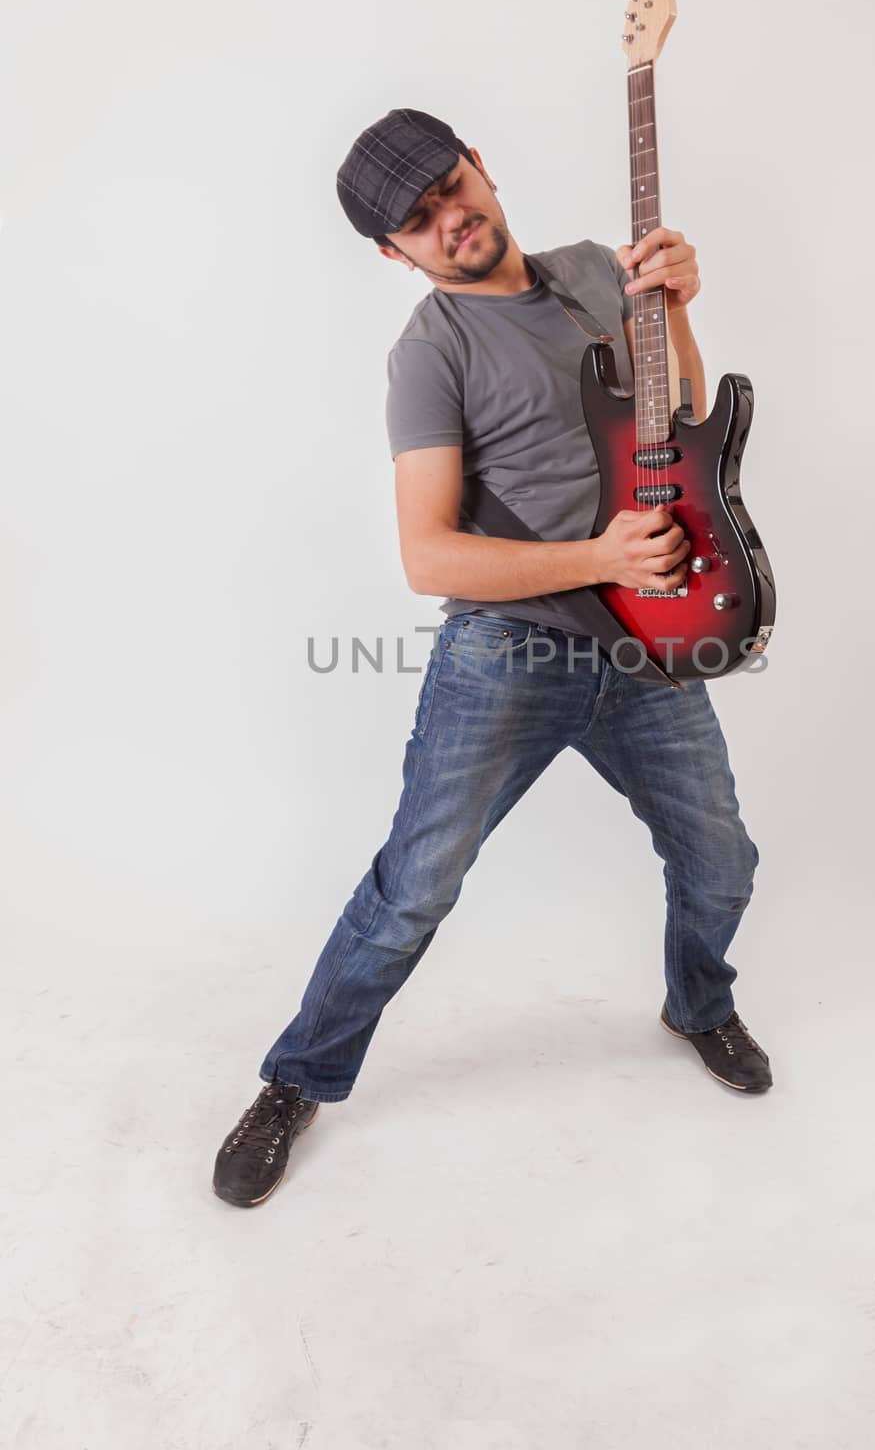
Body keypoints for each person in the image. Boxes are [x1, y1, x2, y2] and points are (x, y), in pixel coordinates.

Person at [212, 108, 772, 1210]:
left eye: (449, 186)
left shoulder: (587, 273)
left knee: (722, 862)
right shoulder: (429, 354)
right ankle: (297, 1078)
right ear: (393, 253)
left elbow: (672, 422)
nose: (447, 220)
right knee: (414, 885)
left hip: (647, 646)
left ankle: (697, 1002)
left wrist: (673, 306)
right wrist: (595, 551)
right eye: (416, 221)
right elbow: (429, 555)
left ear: (481, 163)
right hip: (507, 652)